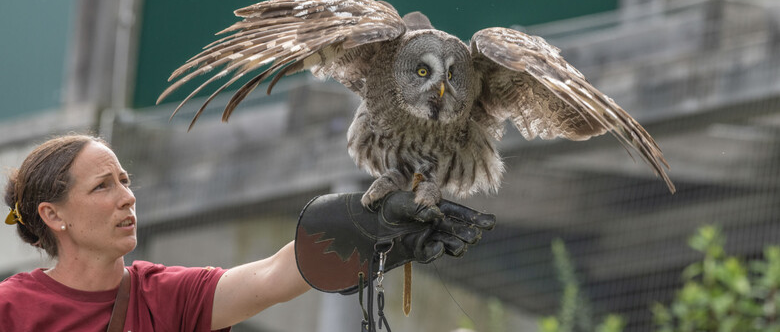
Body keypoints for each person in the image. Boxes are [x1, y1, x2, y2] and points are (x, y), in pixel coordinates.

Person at [1, 134, 495, 331]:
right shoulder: (12, 309)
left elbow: (270, 277)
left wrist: (371, 225)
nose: (127, 197)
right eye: (102, 187)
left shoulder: (165, 297)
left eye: (126, 181)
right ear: (53, 215)